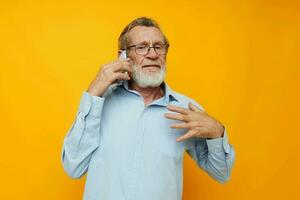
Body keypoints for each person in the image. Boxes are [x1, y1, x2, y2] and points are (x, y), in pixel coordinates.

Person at [61, 17, 235, 200]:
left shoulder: (186, 109)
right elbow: (73, 167)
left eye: (159, 47)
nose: (152, 54)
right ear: (123, 56)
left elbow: (221, 173)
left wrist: (217, 132)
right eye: (142, 47)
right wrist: (93, 93)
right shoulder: (99, 102)